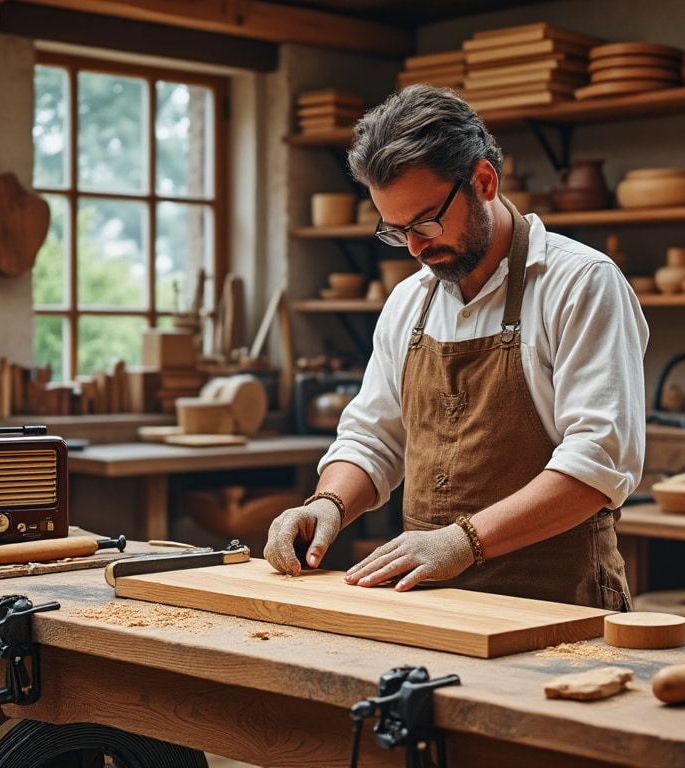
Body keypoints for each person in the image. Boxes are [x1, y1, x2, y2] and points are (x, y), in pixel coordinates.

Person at [264, 84, 649, 609]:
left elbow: (597, 465)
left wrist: (462, 541)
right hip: (434, 607)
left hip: (558, 606)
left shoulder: (580, 283)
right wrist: (328, 503)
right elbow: (373, 438)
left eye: (425, 221)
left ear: (484, 181)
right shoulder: (408, 302)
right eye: (397, 231)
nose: (417, 248)